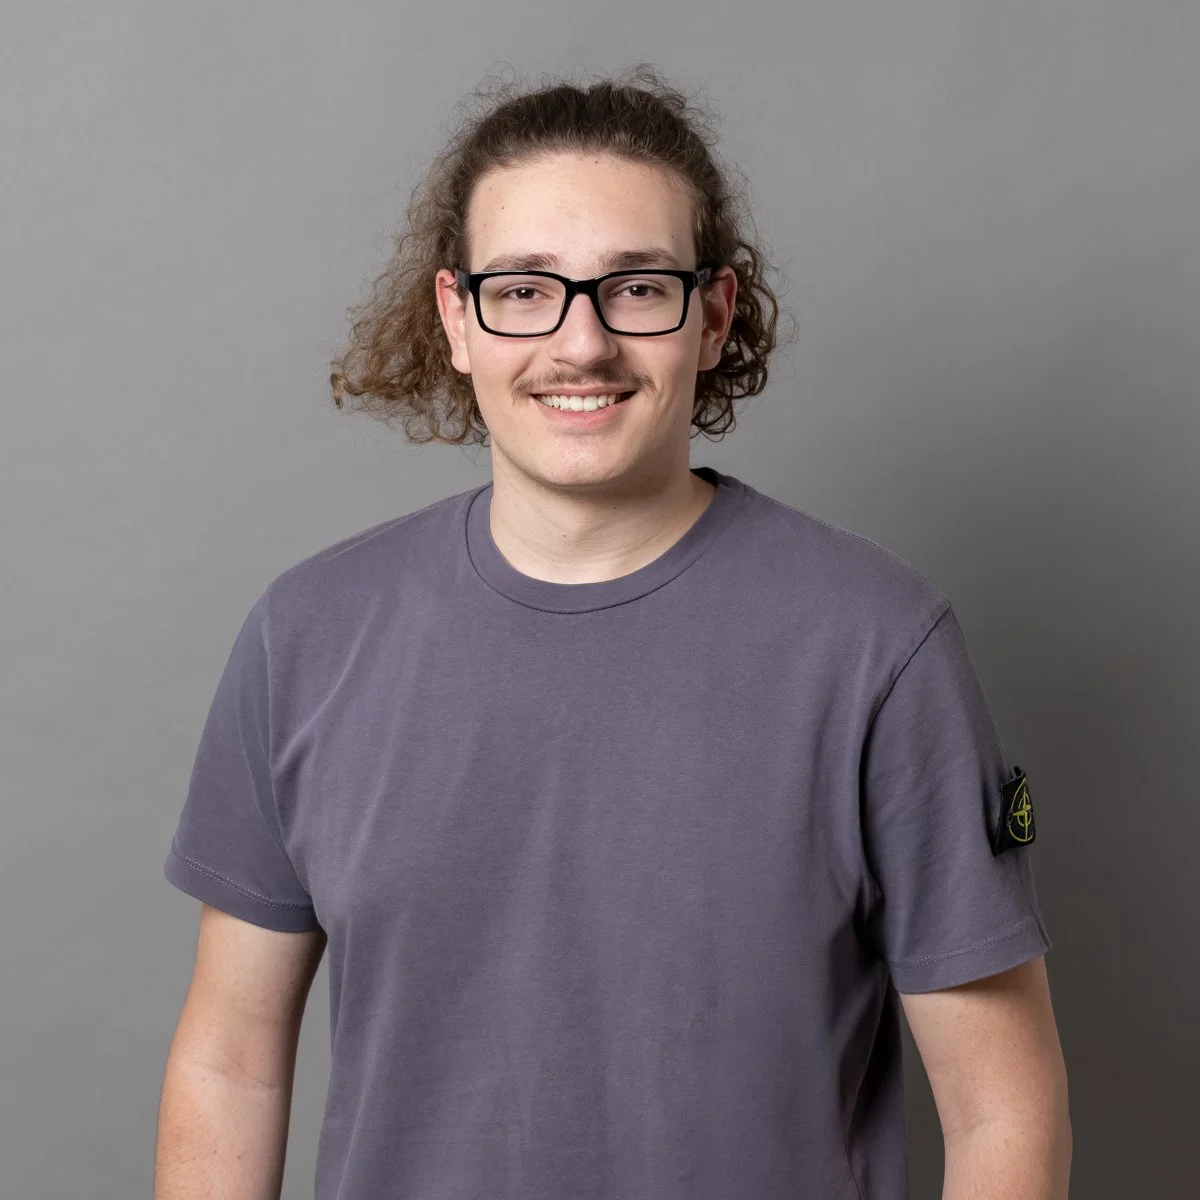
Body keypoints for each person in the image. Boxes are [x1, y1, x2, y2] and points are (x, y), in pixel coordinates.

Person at [155, 65, 1071, 1199]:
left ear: (713, 316)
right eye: (524, 289)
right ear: (457, 319)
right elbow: (229, 1064)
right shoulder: (307, 638)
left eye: (636, 288)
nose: (580, 344)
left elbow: (1003, 1114)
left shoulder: (877, 646)